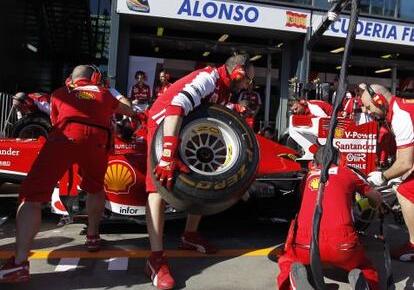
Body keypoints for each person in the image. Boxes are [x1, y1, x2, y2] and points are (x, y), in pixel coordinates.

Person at [0, 65, 134, 283]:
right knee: (96, 188)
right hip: (98, 141)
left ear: (72, 78)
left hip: (66, 136)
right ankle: (92, 236)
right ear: (96, 78)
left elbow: (55, 121)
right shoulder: (104, 93)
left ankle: (19, 264)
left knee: (31, 196)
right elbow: (128, 111)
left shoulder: (60, 93)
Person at [144, 53, 255, 290]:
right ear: (239, 73)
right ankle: (155, 259)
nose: (248, 86)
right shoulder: (207, 78)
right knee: (158, 188)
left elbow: (208, 106)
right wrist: (166, 156)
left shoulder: (222, 89)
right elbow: (177, 105)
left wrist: (234, 107)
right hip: (163, 122)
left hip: (186, 124)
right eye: (248, 81)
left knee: (207, 174)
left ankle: (189, 235)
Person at [277, 146, 382, 290]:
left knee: (288, 259)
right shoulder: (347, 172)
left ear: (314, 161)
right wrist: (367, 204)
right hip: (343, 245)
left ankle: (291, 280)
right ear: (340, 159)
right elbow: (377, 198)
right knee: (364, 265)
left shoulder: (307, 176)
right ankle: (364, 281)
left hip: (306, 244)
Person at [360, 84, 414, 261]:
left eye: (368, 107)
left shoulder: (401, 116)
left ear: (379, 100)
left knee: (405, 190)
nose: (368, 112)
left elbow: (405, 162)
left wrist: (383, 176)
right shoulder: (400, 109)